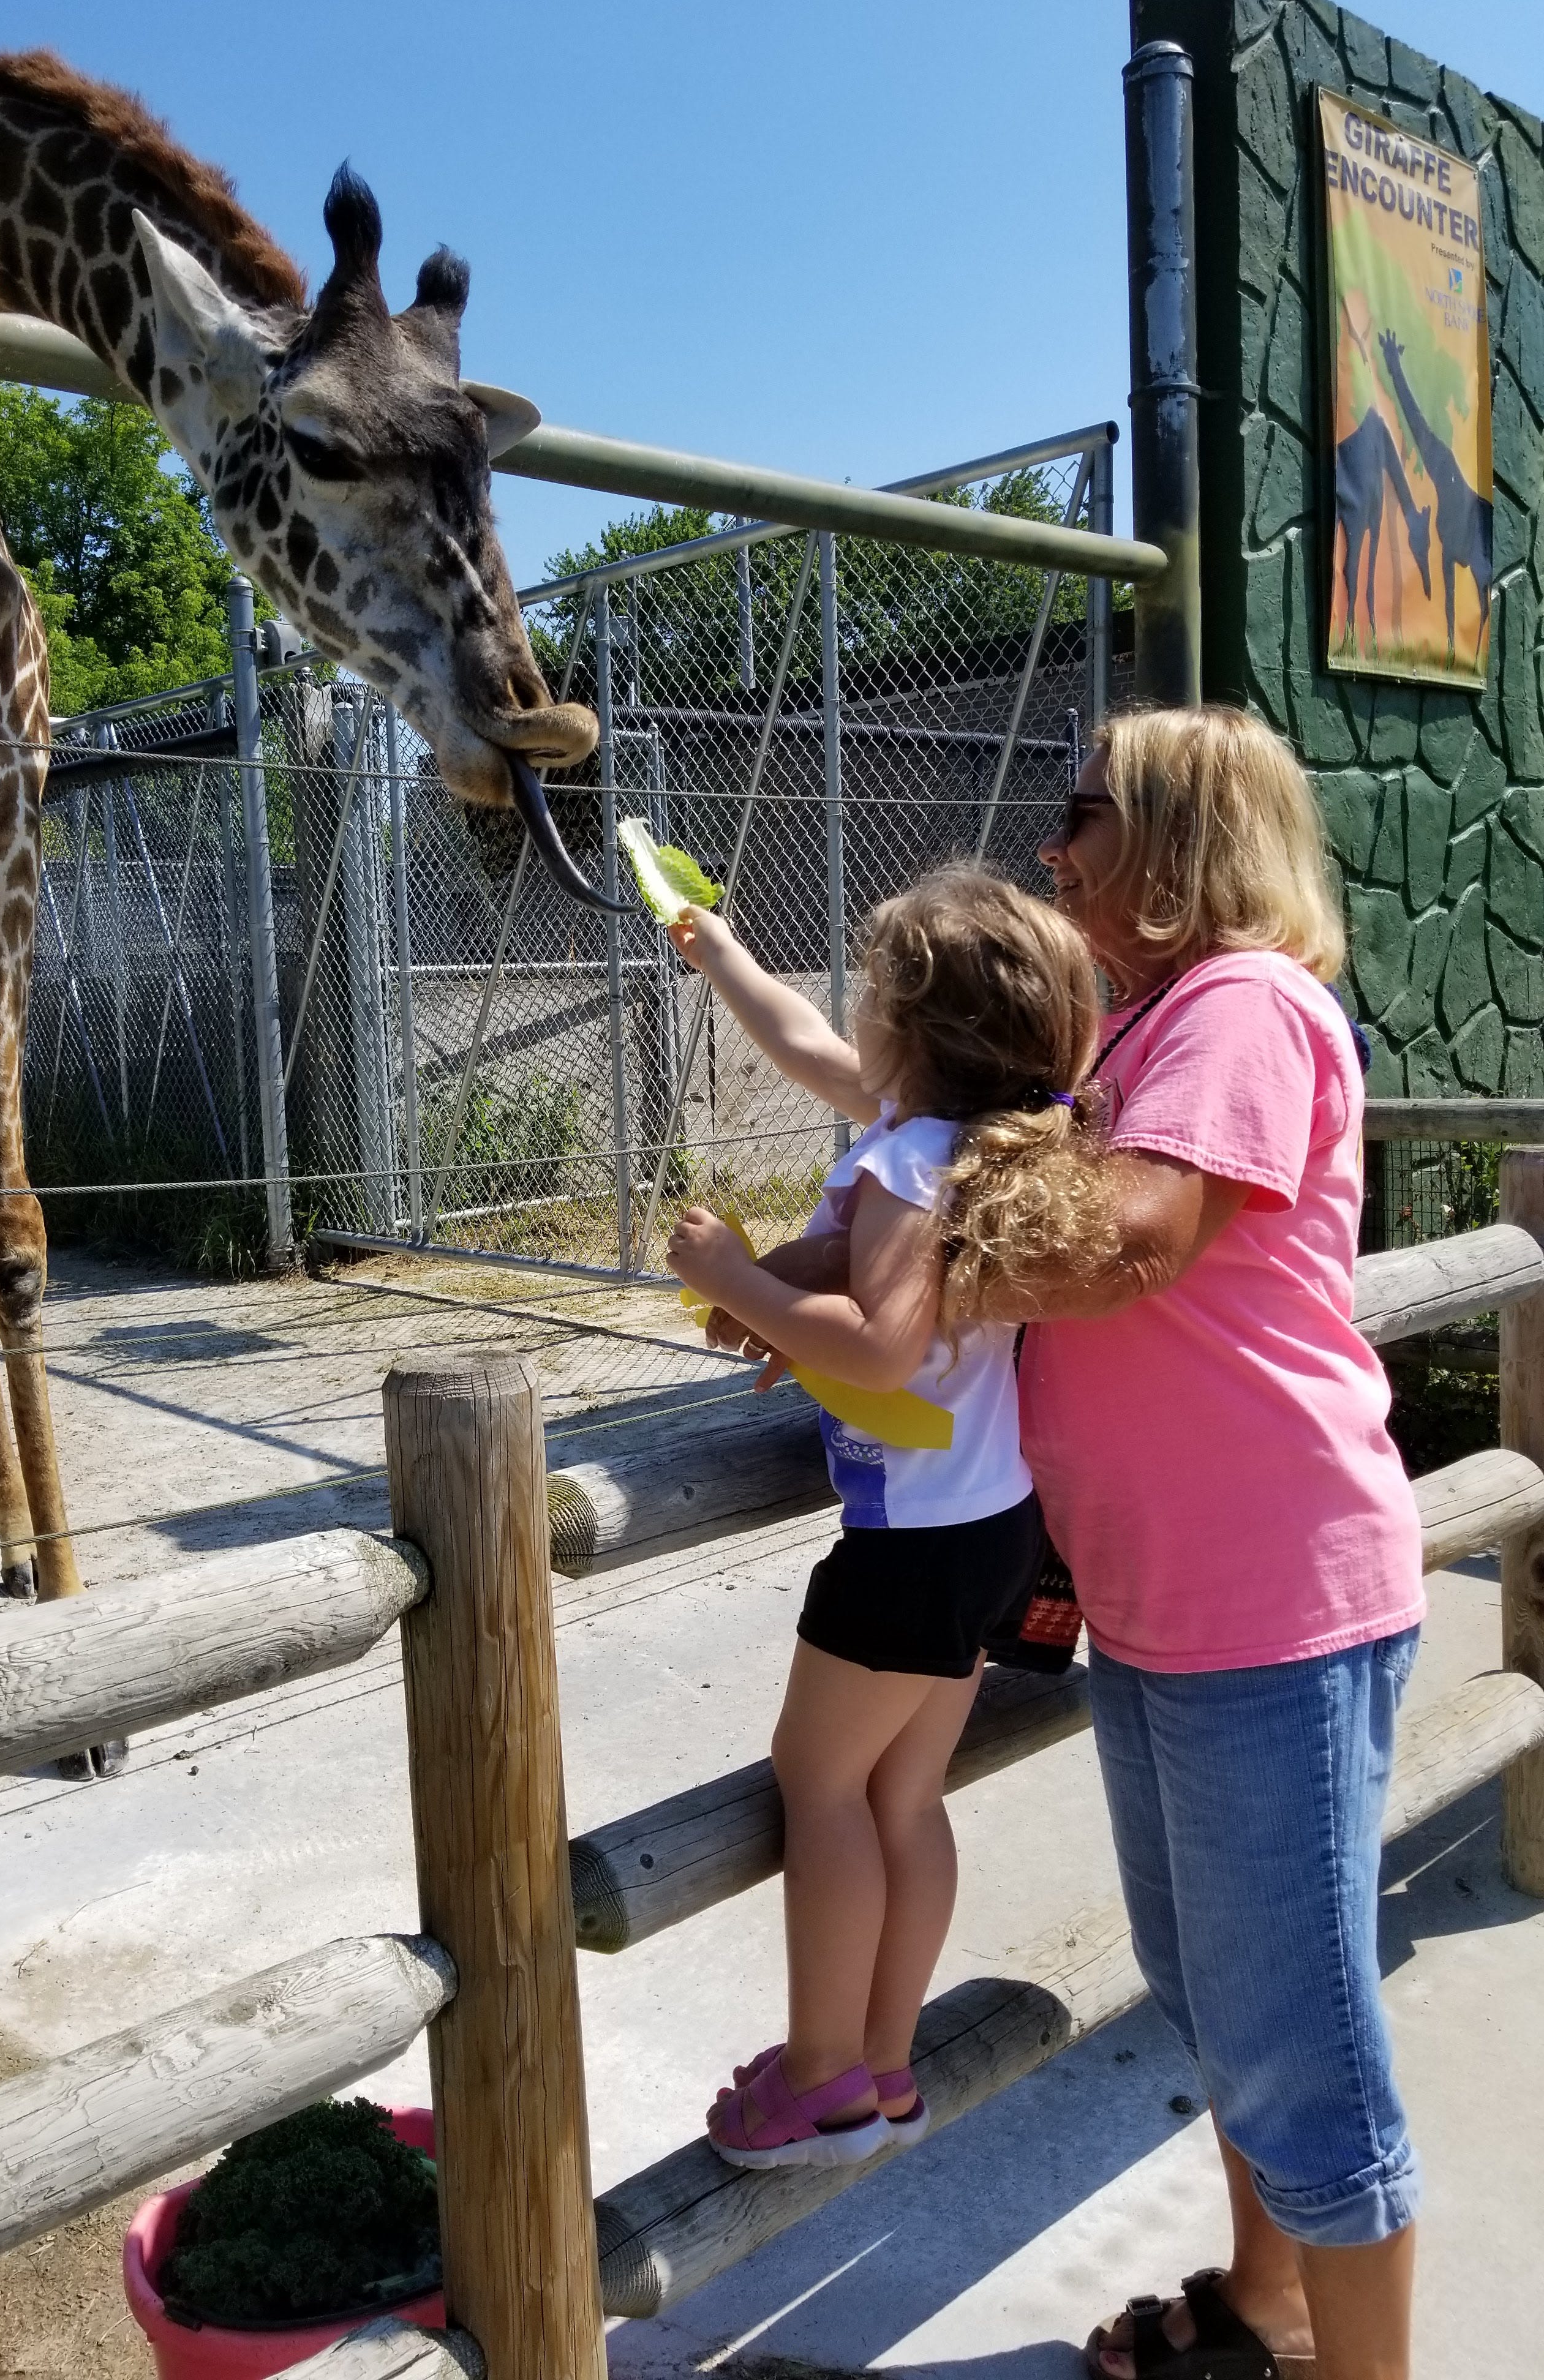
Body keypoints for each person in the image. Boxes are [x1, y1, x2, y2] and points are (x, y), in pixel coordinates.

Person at [704, 708, 1423, 2380]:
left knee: (1303, 2046)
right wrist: (834, 1290)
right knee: (1229, 2007)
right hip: (1178, 1605)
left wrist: (864, 1305)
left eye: (1081, 812)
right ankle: (1269, 2307)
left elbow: (1138, 1238)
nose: (1056, 846)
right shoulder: (1157, 1027)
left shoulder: (1240, 1005)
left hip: (1272, 1600)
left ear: (1176, 836)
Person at [665, 865, 1117, 2170]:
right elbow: (798, 1041)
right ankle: (882, 2062)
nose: (848, 1016)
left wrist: (737, 1277)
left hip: (909, 1546)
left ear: (912, 1030)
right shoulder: (982, 1137)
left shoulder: (912, 1156)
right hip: (986, 1529)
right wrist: (718, 947)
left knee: (821, 1786)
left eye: (868, 995)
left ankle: (820, 2086)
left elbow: (876, 1344)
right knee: (905, 1796)